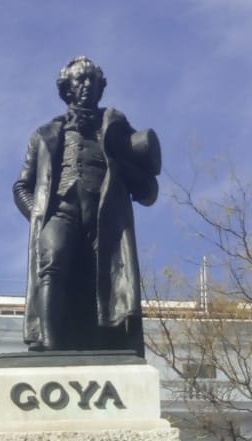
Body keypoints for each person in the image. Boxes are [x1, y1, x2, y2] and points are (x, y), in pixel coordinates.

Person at [13, 54, 161, 357]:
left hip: (103, 217)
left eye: (92, 79)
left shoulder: (116, 128)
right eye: (80, 79)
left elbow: (146, 185)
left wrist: (128, 168)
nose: (87, 84)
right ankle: (49, 343)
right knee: (52, 262)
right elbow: (21, 186)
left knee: (107, 276)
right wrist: (39, 217)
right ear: (67, 87)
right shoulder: (43, 135)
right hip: (60, 213)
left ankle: (111, 342)